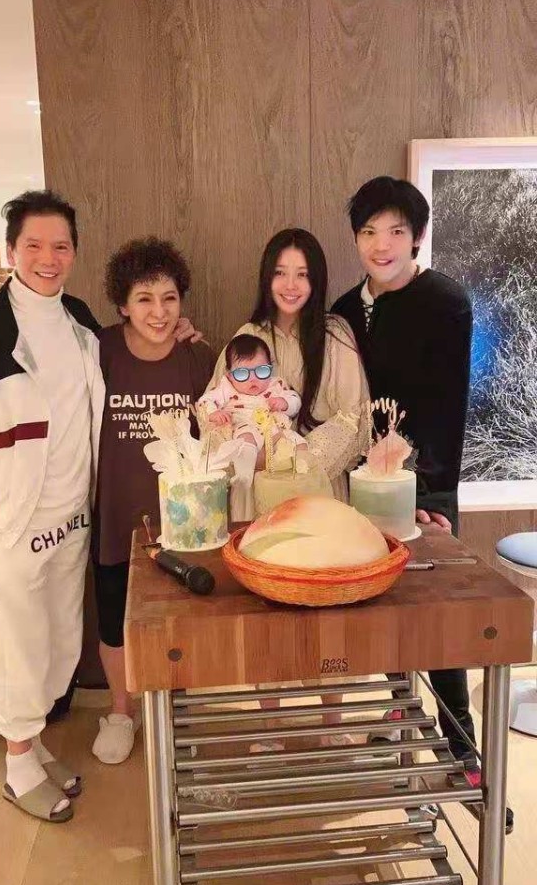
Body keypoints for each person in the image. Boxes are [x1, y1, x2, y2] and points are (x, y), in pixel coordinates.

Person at [331, 175, 513, 832]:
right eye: (369, 232)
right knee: (383, 608)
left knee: (438, 619)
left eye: (396, 232)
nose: (381, 244)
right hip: (362, 486)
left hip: (425, 485)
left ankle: (461, 751)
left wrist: (419, 474)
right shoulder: (345, 309)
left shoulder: (445, 300)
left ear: (416, 237)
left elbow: (447, 401)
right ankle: (400, 716)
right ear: (356, 238)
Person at [0, 190, 103, 823]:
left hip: (71, 518)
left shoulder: (81, 322)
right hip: (9, 525)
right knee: (16, 647)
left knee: (59, 642)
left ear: (74, 253)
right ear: (11, 251)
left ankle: (32, 747)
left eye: (60, 246)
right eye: (33, 245)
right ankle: (15, 765)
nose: (47, 258)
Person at [208, 227, 370, 748]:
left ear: (317, 279)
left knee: (328, 598)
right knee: (267, 602)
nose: (291, 284)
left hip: (320, 487)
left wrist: (299, 457)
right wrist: (250, 450)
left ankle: (332, 722)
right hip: (259, 491)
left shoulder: (335, 334)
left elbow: (354, 416)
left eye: (302, 273)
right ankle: (270, 721)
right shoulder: (247, 336)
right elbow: (213, 414)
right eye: (281, 272)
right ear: (266, 277)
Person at [92, 237, 216, 764]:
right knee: (113, 623)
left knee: (179, 623)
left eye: (169, 298)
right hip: (116, 515)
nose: (159, 312)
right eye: (144, 299)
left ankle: (176, 710)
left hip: (181, 522)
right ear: (123, 304)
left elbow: (216, 435)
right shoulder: (98, 350)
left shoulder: (198, 357)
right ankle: (122, 712)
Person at [197, 334, 306, 507]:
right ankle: (244, 474)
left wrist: (285, 403)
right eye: (242, 374)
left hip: (274, 431)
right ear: (230, 375)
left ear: (270, 368)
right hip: (243, 424)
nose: (253, 379)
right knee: (245, 438)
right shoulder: (226, 387)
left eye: (261, 371)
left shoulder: (276, 385)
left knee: (296, 441)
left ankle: (302, 477)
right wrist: (214, 413)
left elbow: (295, 399)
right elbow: (204, 401)